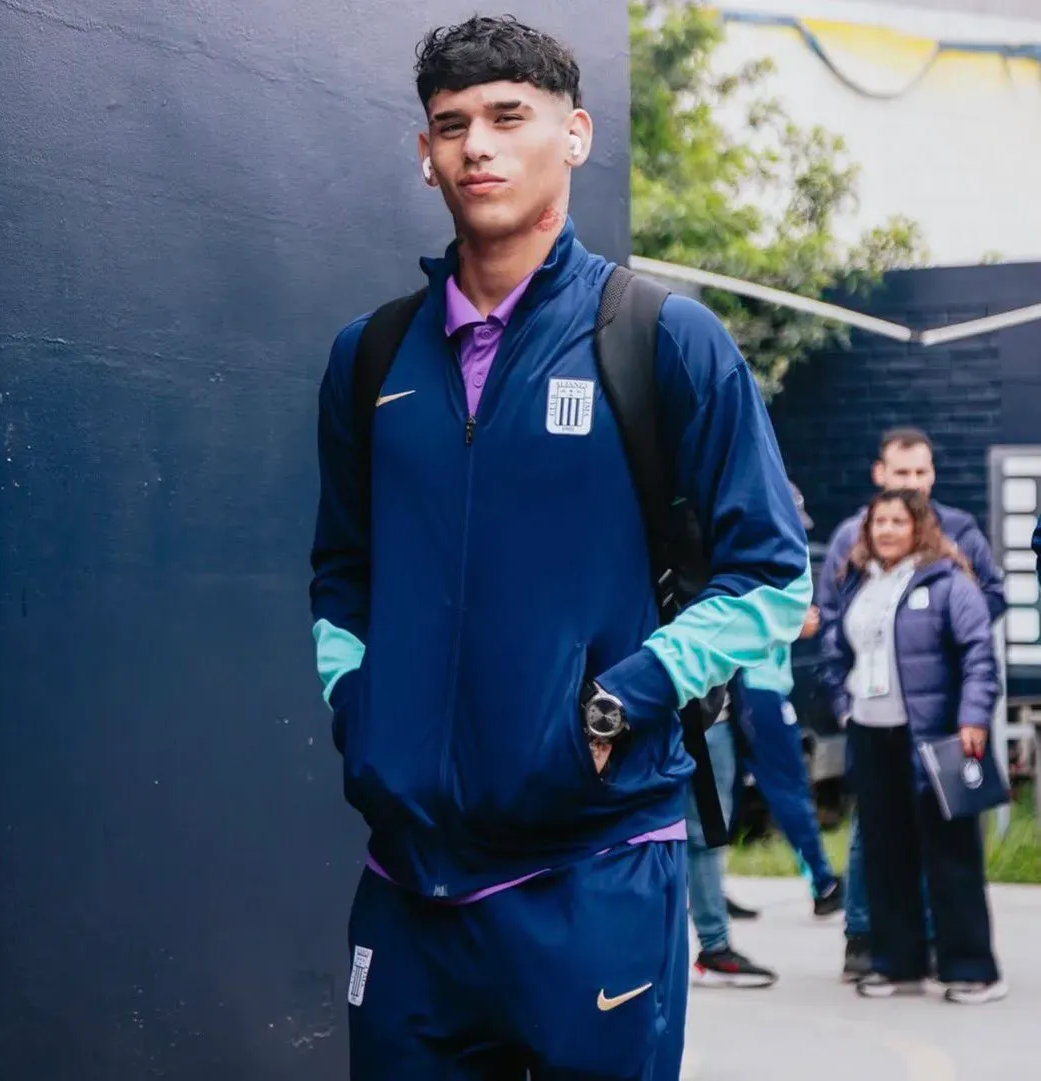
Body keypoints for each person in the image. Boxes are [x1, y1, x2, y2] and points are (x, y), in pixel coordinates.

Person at [309, 16, 812, 1079]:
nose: (476, 147)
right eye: (450, 126)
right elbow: (340, 575)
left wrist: (620, 699)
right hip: (408, 879)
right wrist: (360, 710)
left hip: (594, 865)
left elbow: (770, 578)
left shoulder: (661, 339)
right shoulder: (370, 359)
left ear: (573, 134)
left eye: (507, 117)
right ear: (423, 154)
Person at [816, 427, 1006, 979]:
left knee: (948, 850)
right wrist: (843, 704)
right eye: (901, 477)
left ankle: (965, 964)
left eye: (922, 474)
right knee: (881, 843)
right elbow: (833, 631)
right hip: (874, 727)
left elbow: (978, 641)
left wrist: (962, 695)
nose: (911, 489)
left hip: (935, 724)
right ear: (880, 476)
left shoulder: (952, 563)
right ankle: (885, 951)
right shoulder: (856, 553)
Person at [732, 482, 842, 918]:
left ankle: (706, 892)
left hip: (753, 687)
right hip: (756, 688)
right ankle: (823, 882)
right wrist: (792, 627)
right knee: (787, 787)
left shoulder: (753, 553)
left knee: (728, 792)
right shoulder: (760, 558)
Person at [687, 698, 779, 988]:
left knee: (697, 838)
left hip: (700, 720)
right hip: (697, 721)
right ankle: (714, 947)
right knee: (703, 838)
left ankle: (712, 945)